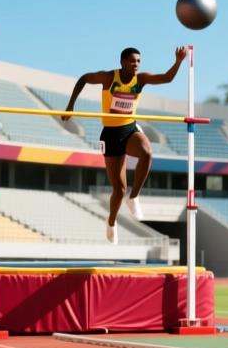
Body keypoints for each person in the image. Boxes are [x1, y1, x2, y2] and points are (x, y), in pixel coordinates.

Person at [63, 46, 188, 243]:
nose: (136, 64)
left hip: (129, 129)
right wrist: (70, 105)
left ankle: (135, 196)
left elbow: (166, 78)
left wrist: (179, 61)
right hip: (110, 135)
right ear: (122, 62)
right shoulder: (109, 78)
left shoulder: (141, 79)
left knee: (147, 152)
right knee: (119, 190)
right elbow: (84, 78)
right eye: (132, 61)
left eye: (138, 61)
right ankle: (111, 222)